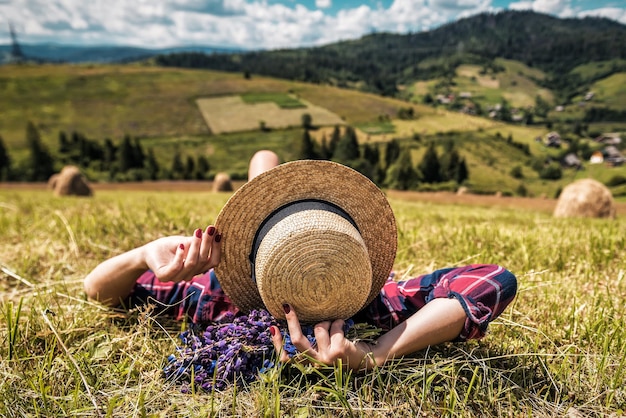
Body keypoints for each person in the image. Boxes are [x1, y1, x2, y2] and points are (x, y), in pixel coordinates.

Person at [84, 150, 517, 372]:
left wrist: (377, 354)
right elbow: (100, 290)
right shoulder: (376, 306)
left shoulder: (215, 301)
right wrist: (146, 252)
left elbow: (492, 282)